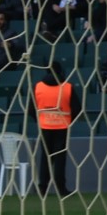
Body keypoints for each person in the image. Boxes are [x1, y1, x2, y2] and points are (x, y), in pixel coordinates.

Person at [33, 60, 79, 196]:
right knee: (60, 158)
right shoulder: (67, 87)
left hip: (45, 126)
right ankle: (61, 188)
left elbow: (31, 108)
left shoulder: (38, 87)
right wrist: (68, 121)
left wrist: (41, 119)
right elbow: (77, 108)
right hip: (62, 126)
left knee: (45, 157)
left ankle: (43, 188)